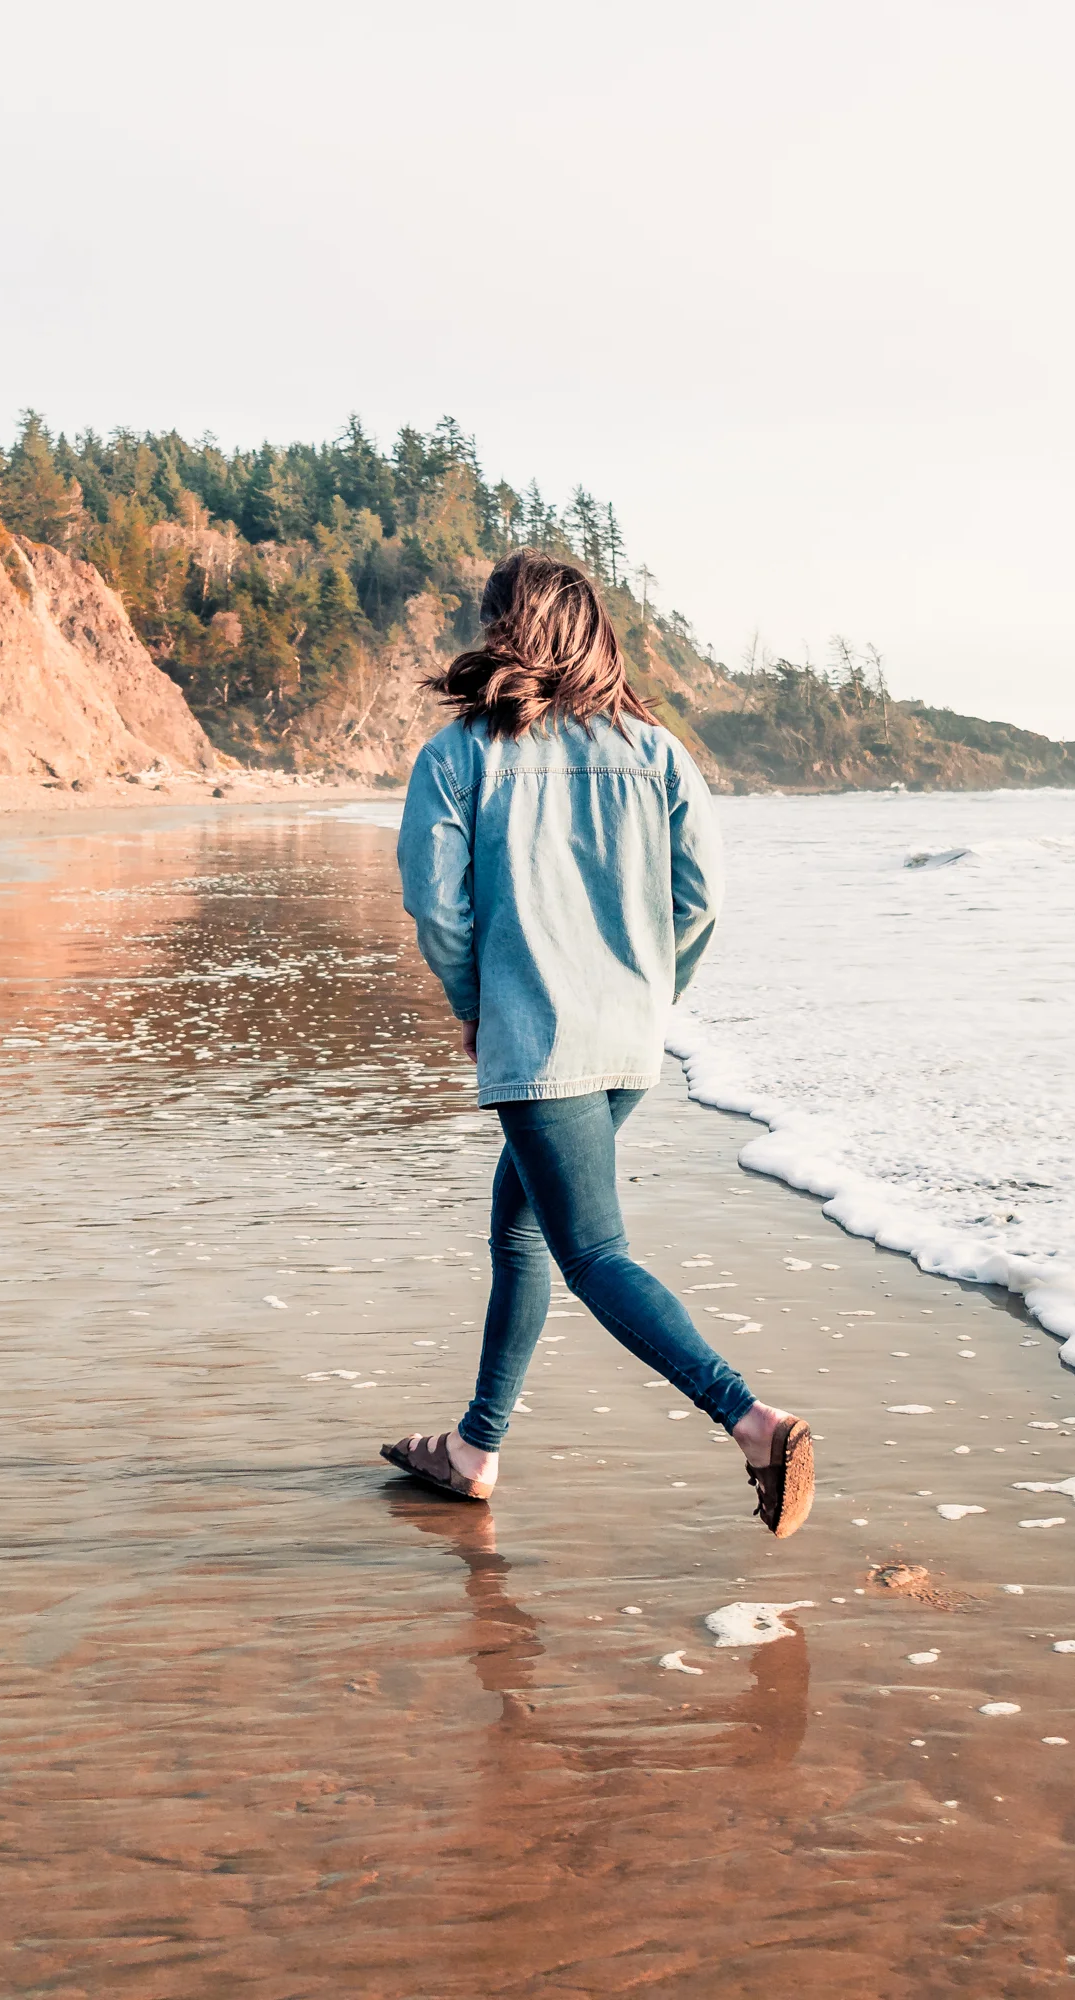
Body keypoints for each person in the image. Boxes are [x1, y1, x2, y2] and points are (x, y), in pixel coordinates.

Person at [380, 550, 813, 1536]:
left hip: (539, 1045)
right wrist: (652, 996)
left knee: (593, 1253)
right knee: (520, 1226)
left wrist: (474, 1002)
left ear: (505, 628)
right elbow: (700, 903)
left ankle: (752, 1421)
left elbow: (436, 906)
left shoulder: (459, 755)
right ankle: (474, 1447)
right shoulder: (658, 753)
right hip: (627, 1044)